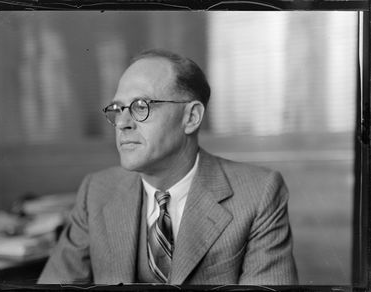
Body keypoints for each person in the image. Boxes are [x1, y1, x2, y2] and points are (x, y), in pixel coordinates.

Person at [38, 49, 298, 285]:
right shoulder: (96, 190)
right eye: (117, 109)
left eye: (141, 106)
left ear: (191, 117)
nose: (122, 123)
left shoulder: (258, 193)